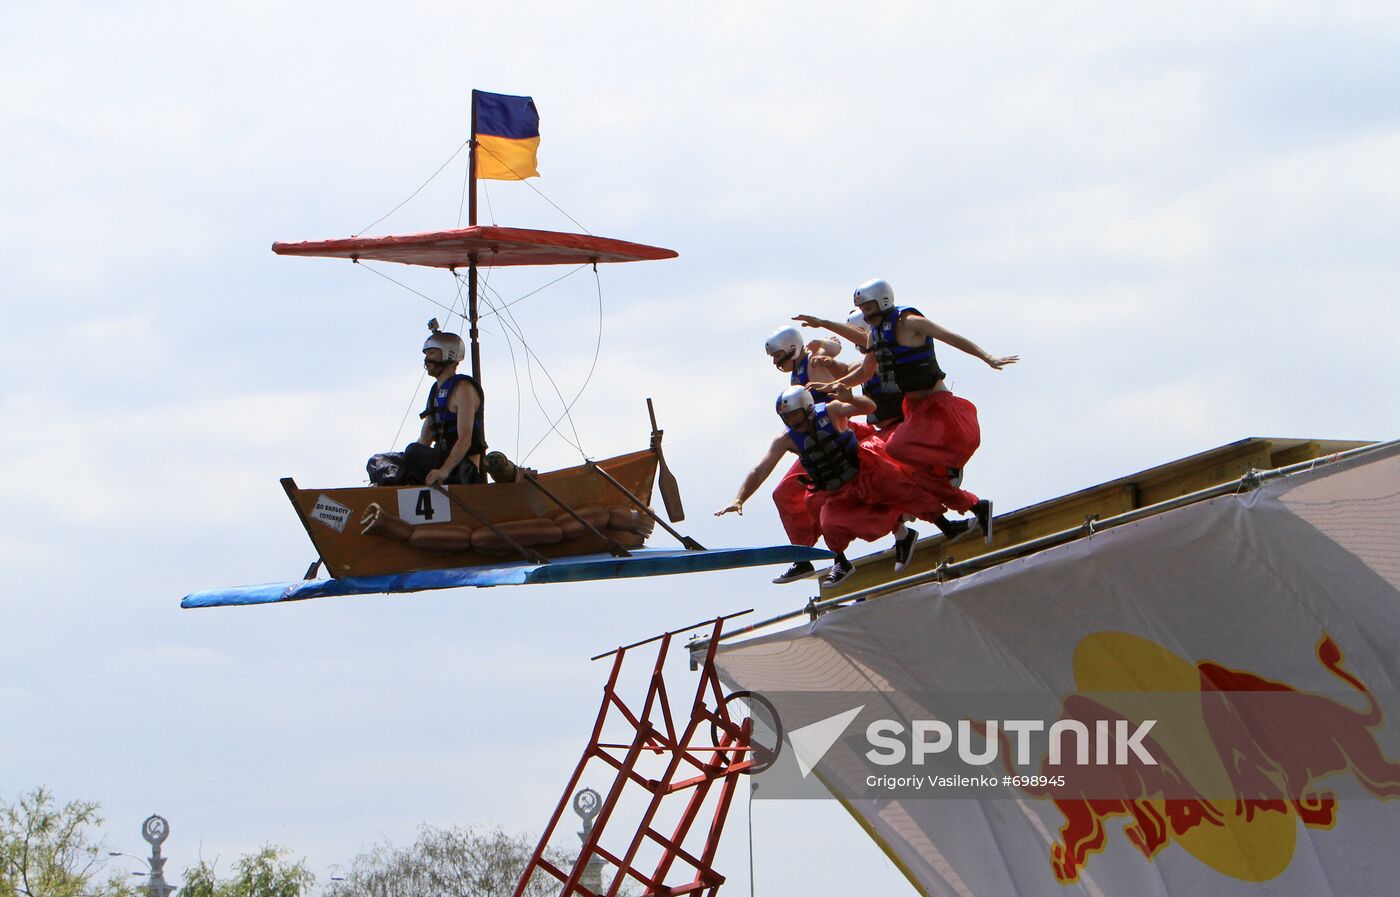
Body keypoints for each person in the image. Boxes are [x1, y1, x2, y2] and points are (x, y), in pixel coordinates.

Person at [810, 278, 1017, 545]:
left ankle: (947, 472)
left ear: (883, 300)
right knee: (897, 462)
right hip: (916, 408)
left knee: (898, 449)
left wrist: (987, 357)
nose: (865, 313)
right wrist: (833, 385)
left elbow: (950, 336)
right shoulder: (876, 334)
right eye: (862, 309)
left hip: (938, 405)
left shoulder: (908, 322)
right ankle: (973, 505)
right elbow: (864, 372)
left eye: (868, 307)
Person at [715, 385, 946, 588]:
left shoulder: (831, 410)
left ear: (807, 407)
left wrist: (851, 398)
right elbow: (759, 469)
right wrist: (739, 499)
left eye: (794, 415)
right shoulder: (786, 439)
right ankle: (840, 561)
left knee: (900, 495)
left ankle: (923, 530)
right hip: (834, 486)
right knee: (827, 519)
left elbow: (869, 407)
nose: (792, 422)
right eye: (787, 418)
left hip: (863, 472)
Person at [763, 326, 856, 583]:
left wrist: (823, 344)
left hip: (840, 436)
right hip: (815, 445)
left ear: (792, 348)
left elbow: (834, 348)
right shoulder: (796, 377)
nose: (776, 362)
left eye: (778, 355)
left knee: (817, 500)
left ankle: (841, 559)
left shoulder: (813, 363)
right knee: (783, 494)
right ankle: (803, 557)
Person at [403, 329, 486, 486]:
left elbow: (465, 440)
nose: (427, 359)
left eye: (432, 353)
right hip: (443, 462)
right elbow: (424, 440)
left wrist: (444, 471)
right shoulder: (436, 392)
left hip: (464, 470)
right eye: (426, 354)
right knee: (387, 461)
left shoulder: (464, 389)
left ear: (449, 354)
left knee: (413, 452)